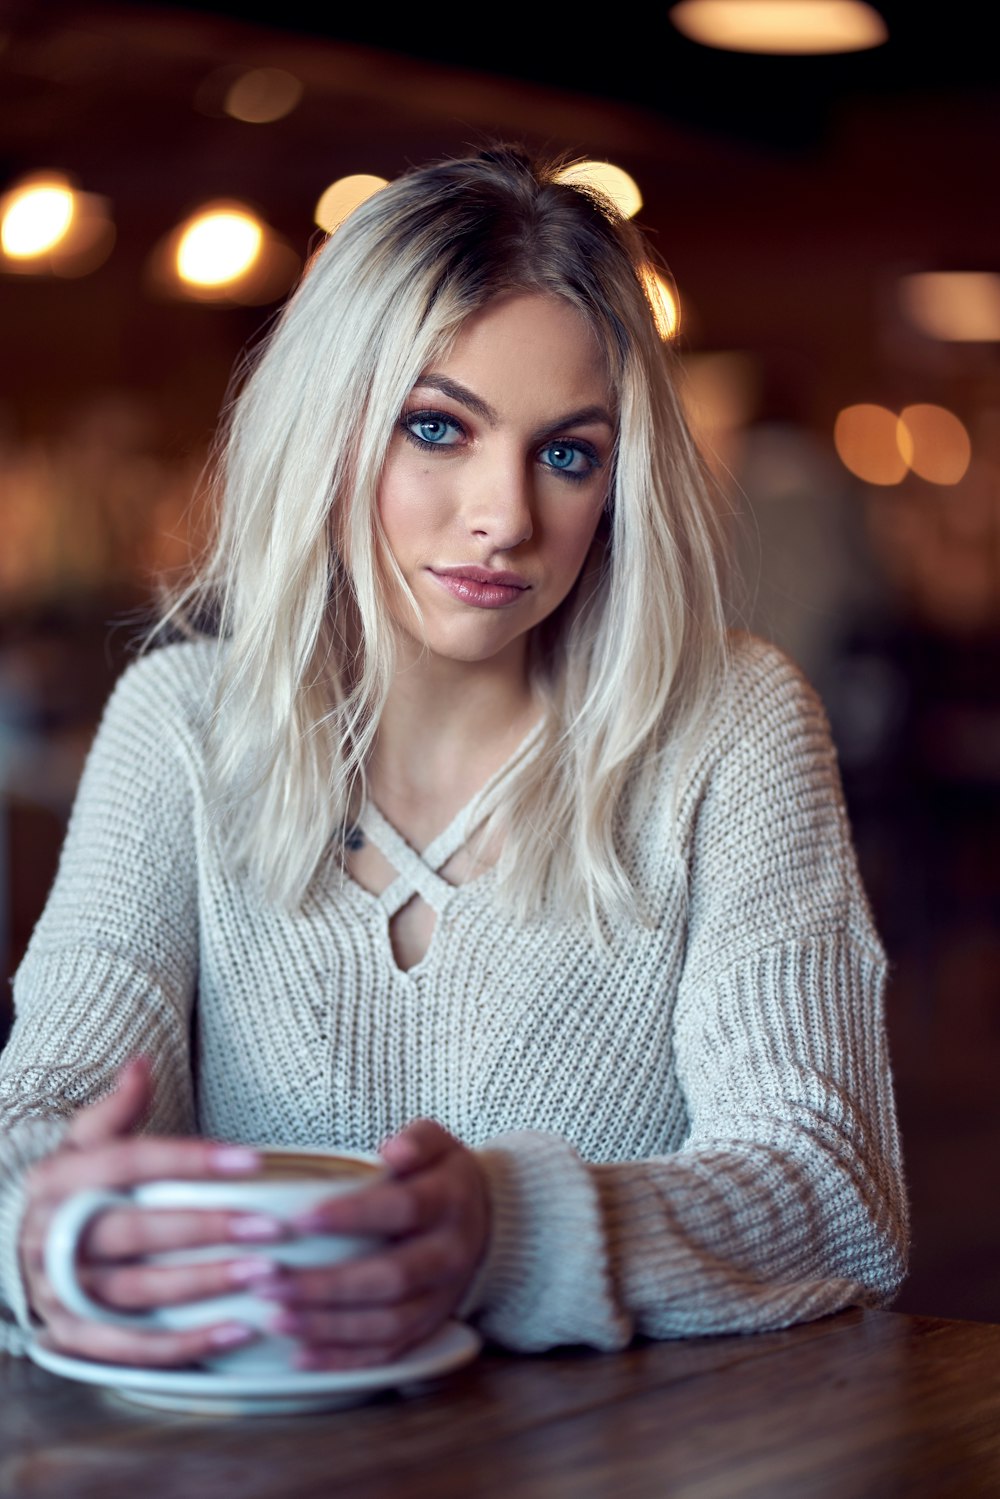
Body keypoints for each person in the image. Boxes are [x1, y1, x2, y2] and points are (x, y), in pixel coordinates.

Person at [0, 145, 908, 1370]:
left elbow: (834, 1190)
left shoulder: (728, 726)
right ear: (330, 432)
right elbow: (39, 1110)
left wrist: (506, 1227)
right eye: (438, 428)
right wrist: (40, 1224)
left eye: (567, 452)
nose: (506, 516)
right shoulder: (180, 721)